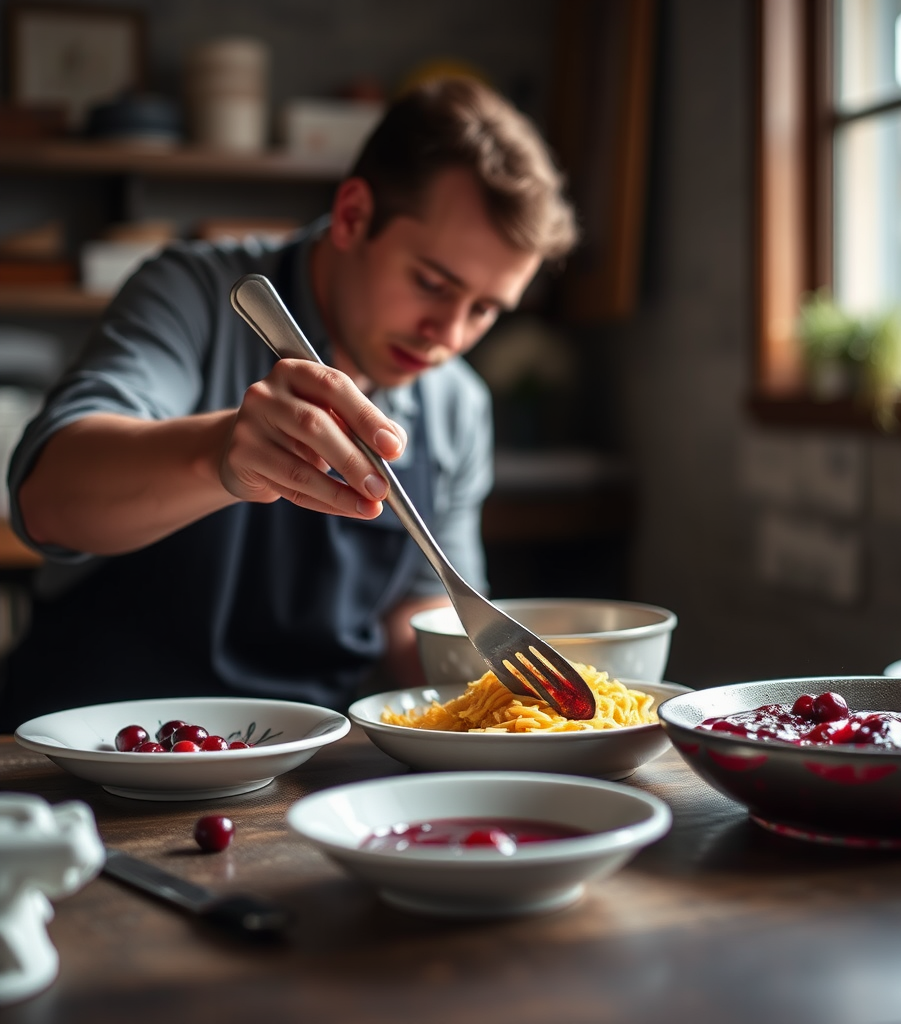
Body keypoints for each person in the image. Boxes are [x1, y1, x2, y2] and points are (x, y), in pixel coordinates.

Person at [0, 77, 577, 730]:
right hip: (95, 749)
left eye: (484, 310)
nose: (448, 335)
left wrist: (511, 709)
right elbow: (45, 503)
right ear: (354, 215)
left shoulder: (457, 406)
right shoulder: (193, 295)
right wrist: (218, 456)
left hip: (301, 769)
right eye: (432, 283)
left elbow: (416, 620)